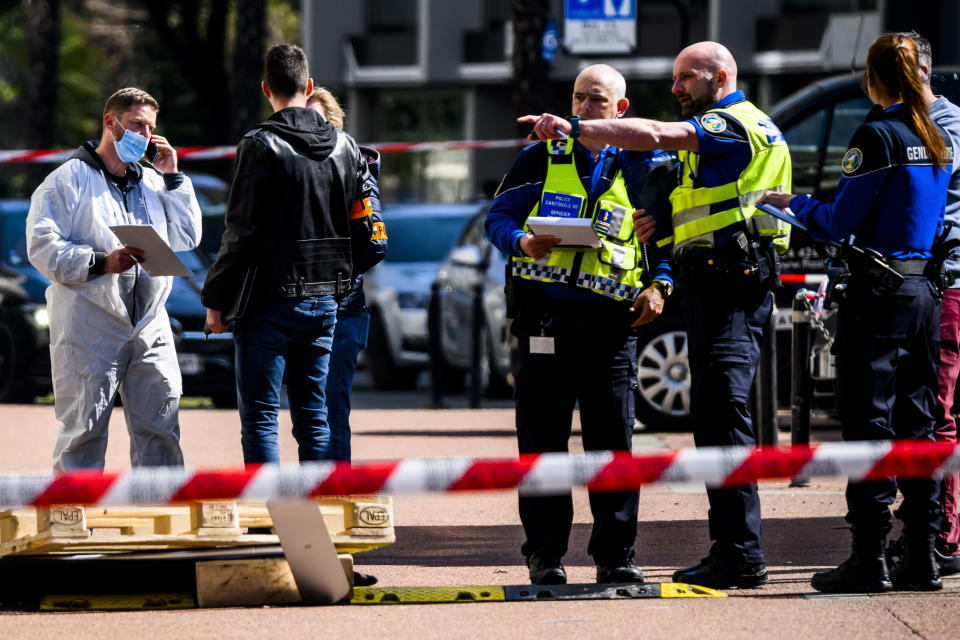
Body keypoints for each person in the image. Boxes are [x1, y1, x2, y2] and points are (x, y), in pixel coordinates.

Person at [520, 41, 792, 589]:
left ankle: (738, 552)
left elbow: (657, 135)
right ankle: (733, 550)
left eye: (684, 78)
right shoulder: (731, 130)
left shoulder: (730, 123)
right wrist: (663, 238)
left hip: (725, 289)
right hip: (699, 291)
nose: (675, 89)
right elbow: (688, 208)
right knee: (714, 420)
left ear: (719, 76)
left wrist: (576, 130)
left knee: (721, 420)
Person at [759, 33, 953, 593]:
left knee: (869, 424)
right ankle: (922, 555)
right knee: (919, 426)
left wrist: (788, 204)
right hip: (923, 293)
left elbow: (837, 221)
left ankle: (869, 558)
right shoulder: (934, 133)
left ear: (873, 77)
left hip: (877, 295)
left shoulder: (877, 134)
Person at [487, 63, 675, 585]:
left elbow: (664, 243)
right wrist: (521, 241)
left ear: (622, 111)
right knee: (542, 443)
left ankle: (616, 556)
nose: (584, 108)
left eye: (596, 100)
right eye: (578, 98)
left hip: (612, 326)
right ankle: (545, 555)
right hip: (544, 321)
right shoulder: (540, 156)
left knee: (612, 445)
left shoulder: (644, 165)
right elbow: (495, 220)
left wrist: (660, 286)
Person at [202, 45, 374, 465]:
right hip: (327, 299)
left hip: (268, 299)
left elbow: (240, 232)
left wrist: (216, 299)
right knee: (315, 417)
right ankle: (312, 523)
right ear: (309, 86)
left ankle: (272, 520)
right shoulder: (346, 146)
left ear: (266, 89)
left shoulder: (260, 144)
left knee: (260, 418)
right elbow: (361, 228)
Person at [27, 87, 202, 471]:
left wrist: (173, 177)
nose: (145, 135)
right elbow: (41, 247)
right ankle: (71, 520)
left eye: (151, 127)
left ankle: (160, 522)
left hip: (149, 323)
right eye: (137, 124)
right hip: (91, 321)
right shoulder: (67, 180)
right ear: (112, 122)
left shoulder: (153, 182)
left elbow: (187, 238)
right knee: (83, 431)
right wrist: (100, 262)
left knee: (161, 428)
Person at [898, 31, 960, 577]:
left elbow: (929, 212)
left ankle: (940, 532)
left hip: (948, 284)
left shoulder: (939, 128)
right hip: (943, 281)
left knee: (935, 410)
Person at [306, 87, 388, 461]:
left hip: (342, 309)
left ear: (335, 126)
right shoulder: (291, 166)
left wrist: (330, 280)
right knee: (307, 414)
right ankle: (304, 508)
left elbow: (375, 242)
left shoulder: (355, 166)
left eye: (317, 121)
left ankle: (336, 500)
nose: (307, 129)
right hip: (299, 308)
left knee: (330, 410)